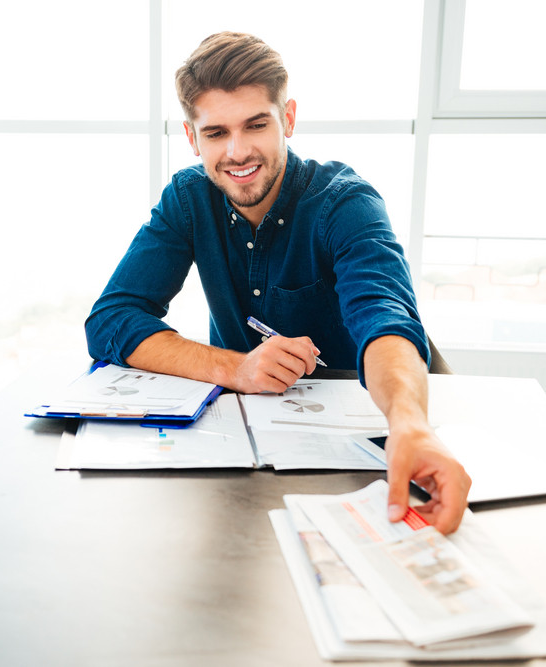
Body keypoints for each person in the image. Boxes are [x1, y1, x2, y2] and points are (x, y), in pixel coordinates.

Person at [85, 32, 470, 533]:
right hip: (248, 451)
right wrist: (238, 368)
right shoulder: (188, 198)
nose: (238, 151)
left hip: (369, 443)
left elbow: (385, 317)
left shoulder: (345, 203)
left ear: (287, 118)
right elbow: (112, 319)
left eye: (256, 125)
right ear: (191, 138)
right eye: (217, 133)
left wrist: (409, 422)